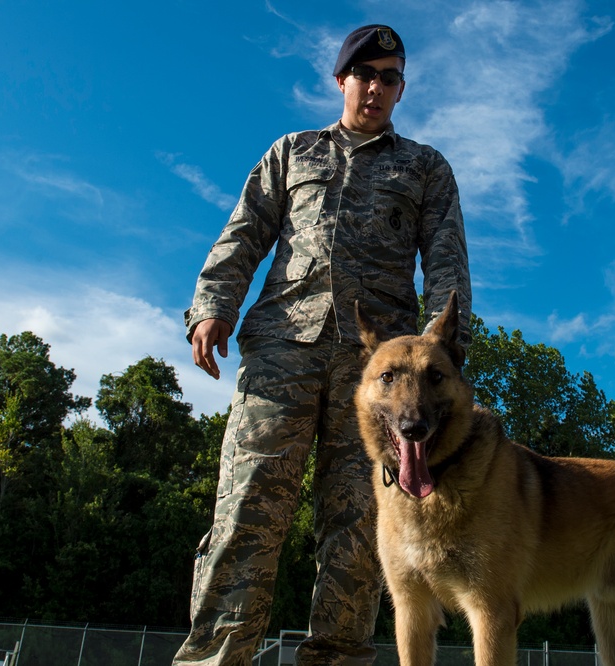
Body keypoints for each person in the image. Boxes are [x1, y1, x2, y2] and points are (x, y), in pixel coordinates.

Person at [172, 24, 472, 666]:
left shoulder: (424, 167)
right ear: (342, 80)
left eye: (389, 78)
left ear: (400, 89)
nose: (375, 87)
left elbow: (447, 265)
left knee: (360, 526)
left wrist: (447, 352)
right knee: (247, 507)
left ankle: (337, 657)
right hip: (283, 349)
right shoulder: (293, 152)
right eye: (365, 74)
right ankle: (215, 656)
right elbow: (245, 231)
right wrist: (213, 306)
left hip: (380, 379)